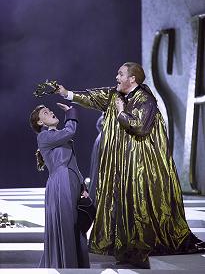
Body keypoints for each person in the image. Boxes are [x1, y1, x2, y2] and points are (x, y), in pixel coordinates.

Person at [56, 62, 205, 268]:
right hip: (121, 165)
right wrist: (67, 93)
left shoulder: (146, 100)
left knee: (137, 205)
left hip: (139, 167)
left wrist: (120, 112)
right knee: (120, 204)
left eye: (120, 74)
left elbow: (140, 127)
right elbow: (93, 97)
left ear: (132, 79)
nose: (116, 77)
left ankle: (136, 250)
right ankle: (123, 247)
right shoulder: (115, 95)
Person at [29, 102, 90, 268]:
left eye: (50, 110)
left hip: (71, 182)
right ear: (40, 123)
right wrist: (71, 114)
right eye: (46, 113)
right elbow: (70, 130)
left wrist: (82, 185)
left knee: (76, 227)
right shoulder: (43, 136)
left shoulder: (59, 135)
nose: (51, 113)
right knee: (67, 227)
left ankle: (76, 267)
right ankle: (66, 267)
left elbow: (73, 163)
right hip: (60, 184)